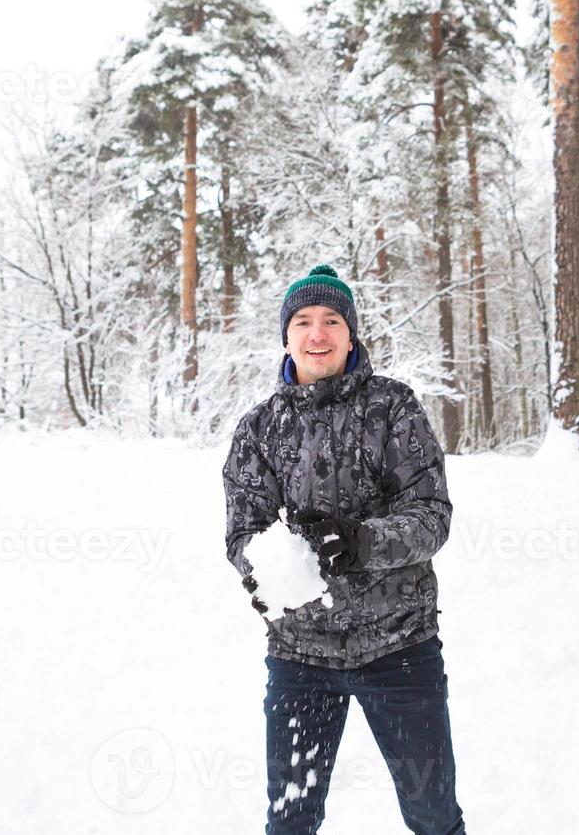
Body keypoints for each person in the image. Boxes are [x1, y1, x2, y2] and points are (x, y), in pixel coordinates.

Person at [223, 263, 466, 835]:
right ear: (286, 336)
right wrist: (269, 578)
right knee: (290, 822)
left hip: (400, 648)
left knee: (433, 815)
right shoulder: (260, 429)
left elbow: (432, 516)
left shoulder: (394, 407)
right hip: (300, 656)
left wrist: (361, 542)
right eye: (303, 321)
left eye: (331, 319)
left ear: (350, 332)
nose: (317, 333)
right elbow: (244, 534)